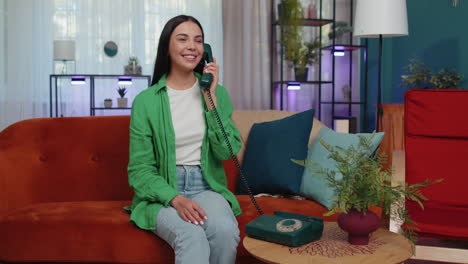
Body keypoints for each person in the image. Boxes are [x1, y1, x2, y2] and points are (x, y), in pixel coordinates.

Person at [125, 15, 242, 264]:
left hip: (206, 186)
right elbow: (139, 170)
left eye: (198, 41)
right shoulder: (146, 101)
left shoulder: (217, 93)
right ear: (167, 47)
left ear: (205, 51)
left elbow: (228, 151)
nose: (192, 46)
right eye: (183, 39)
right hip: (164, 190)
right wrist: (175, 199)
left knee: (225, 232)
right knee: (191, 236)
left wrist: (211, 99)